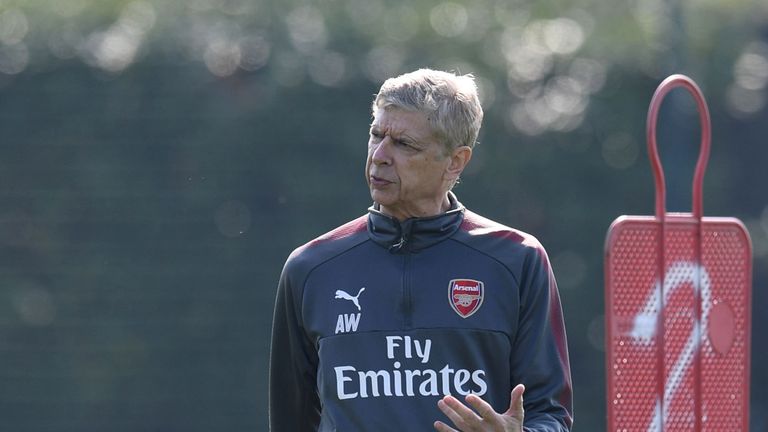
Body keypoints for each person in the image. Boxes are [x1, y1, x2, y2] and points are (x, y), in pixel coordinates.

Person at [269, 68, 573, 431]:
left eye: (404, 144)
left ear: (455, 161)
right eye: (376, 135)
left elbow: (550, 415)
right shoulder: (311, 268)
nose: (380, 155)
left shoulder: (517, 259)